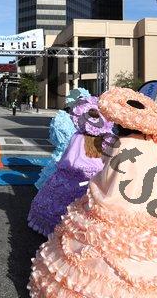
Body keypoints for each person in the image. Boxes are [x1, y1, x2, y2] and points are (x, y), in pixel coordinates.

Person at [28, 87, 157, 297]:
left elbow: (109, 181)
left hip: (119, 209)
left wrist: (94, 184)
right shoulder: (154, 145)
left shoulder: (120, 144)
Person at [28, 96, 114, 236]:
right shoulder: (106, 138)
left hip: (70, 174)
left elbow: (68, 156)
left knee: (60, 198)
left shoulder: (78, 136)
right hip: (94, 177)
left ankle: (56, 226)